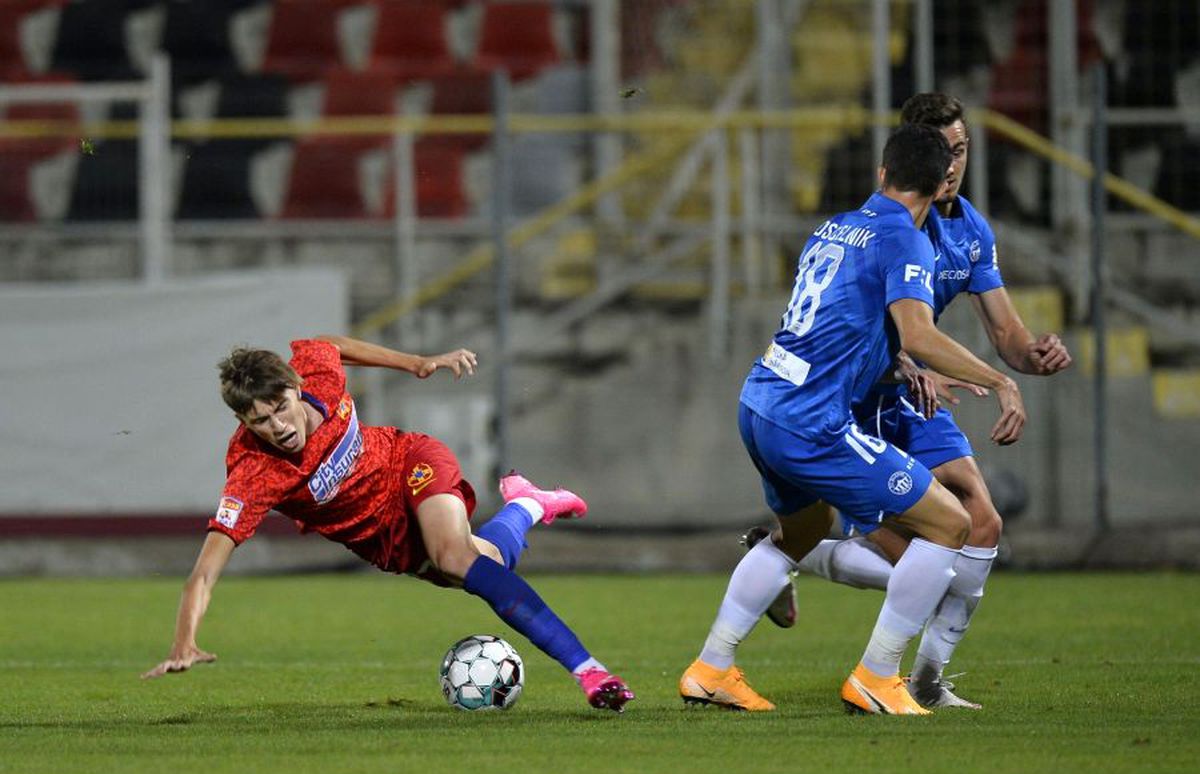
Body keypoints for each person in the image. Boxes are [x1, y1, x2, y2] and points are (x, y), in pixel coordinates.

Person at [679, 123, 1028, 715]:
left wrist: (893, 361)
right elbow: (920, 331)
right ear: (942, 179)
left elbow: (841, 321)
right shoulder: (907, 241)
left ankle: (711, 669)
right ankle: (878, 676)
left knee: (802, 532)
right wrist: (999, 380)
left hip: (761, 399)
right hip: (810, 420)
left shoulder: (837, 225)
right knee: (949, 523)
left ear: (882, 173)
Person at [745, 92, 1072, 710]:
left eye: (964, 150)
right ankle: (800, 558)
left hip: (915, 391)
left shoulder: (969, 228)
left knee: (982, 521)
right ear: (917, 159)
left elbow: (1006, 334)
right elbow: (850, 319)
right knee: (917, 558)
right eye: (945, 153)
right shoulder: (887, 226)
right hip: (858, 399)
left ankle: (925, 680)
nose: (954, 167)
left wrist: (1033, 357)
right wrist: (906, 360)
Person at [141, 335, 635, 713]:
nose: (279, 427)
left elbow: (333, 345)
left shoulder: (315, 372)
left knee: (455, 557)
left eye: (281, 409)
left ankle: (591, 672)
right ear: (243, 423)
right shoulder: (253, 474)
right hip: (382, 540)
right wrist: (184, 639)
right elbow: (204, 570)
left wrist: (416, 363)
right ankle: (527, 506)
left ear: (295, 388)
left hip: (408, 462)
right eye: (261, 422)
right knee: (485, 562)